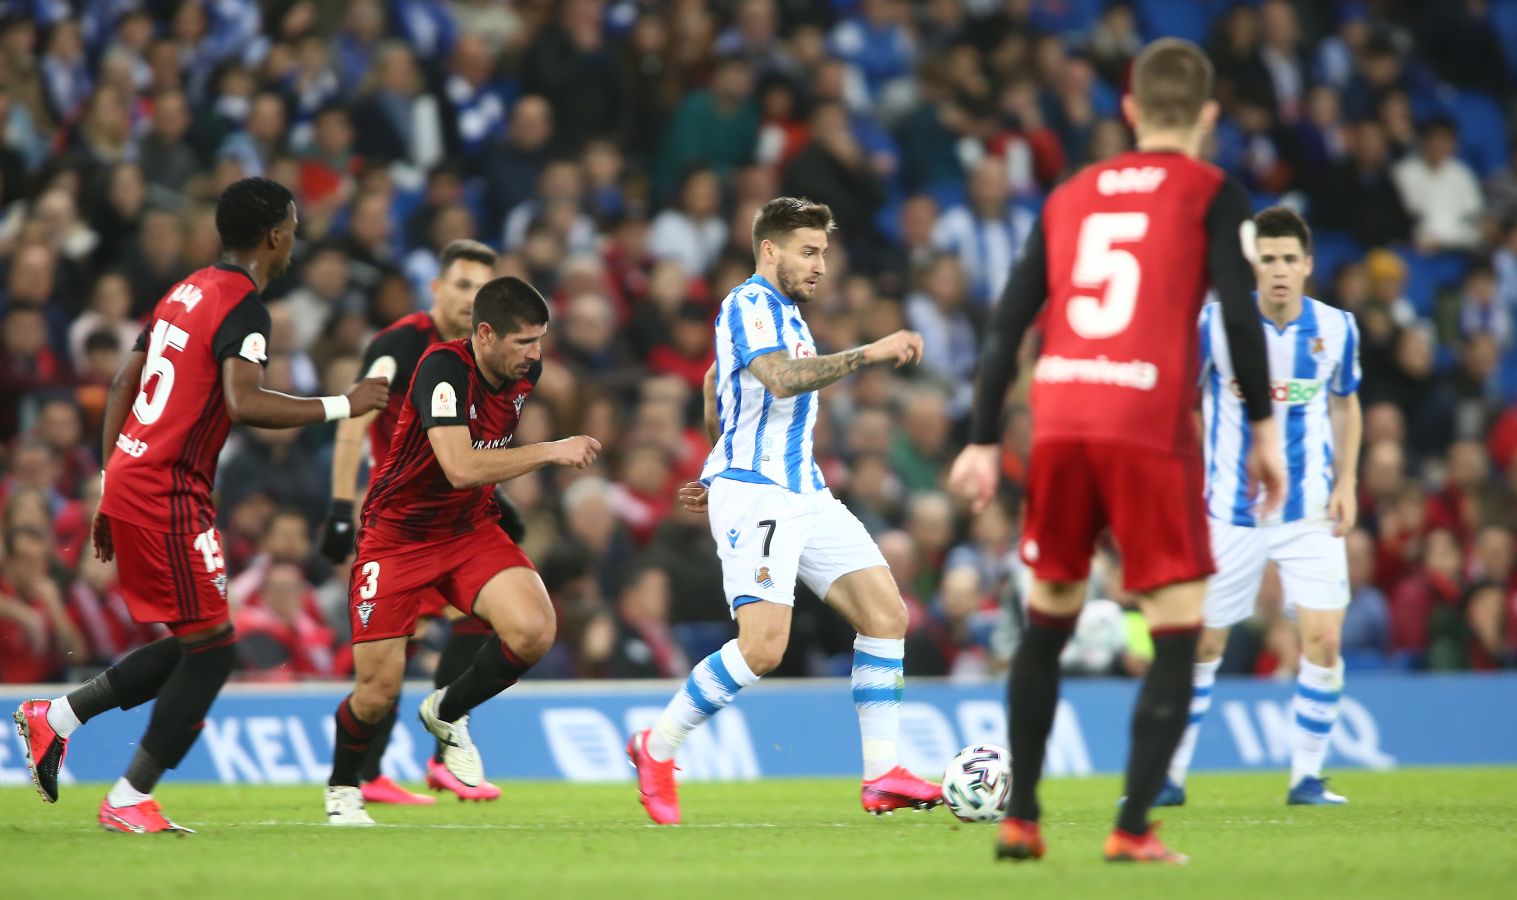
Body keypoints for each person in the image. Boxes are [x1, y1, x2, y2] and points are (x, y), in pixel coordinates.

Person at [947, 39, 1286, 865]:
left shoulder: (1069, 193)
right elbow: (1239, 317)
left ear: (1129, 110)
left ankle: (1020, 817)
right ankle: (1131, 827)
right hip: (1144, 421)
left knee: (1047, 621)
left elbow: (1005, 322)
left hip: (1058, 416)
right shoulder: (1212, 190)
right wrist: (1265, 432)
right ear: (1207, 115)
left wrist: (985, 438)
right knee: (1174, 625)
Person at [12, 177, 390, 834]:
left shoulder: (183, 291)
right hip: (167, 491)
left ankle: (57, 720)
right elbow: (244, 401)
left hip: (136, 476)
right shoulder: (243, 305)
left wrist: (109, 480)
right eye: (294, 227)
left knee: (200, 641)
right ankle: (128, 799)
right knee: (213, 652)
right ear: (275, 235)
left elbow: (124, 381)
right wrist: (343, 404)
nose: (295, 238)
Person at [626, 196, 943, 826]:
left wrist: (717, 459)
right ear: (769, 249)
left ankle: (881, 775)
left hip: (804, 491)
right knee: (764, 648)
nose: (820, 265)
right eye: (808, 251)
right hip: (762, 494)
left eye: (823, 252)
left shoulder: (787, 316)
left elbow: (718, 384)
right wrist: (870, 354)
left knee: (886, 615)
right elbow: (777, 380)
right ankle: (656, 748)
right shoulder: (747, 302)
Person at [323, 276, 601, 826]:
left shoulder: (526, 372)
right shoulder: (440, 369)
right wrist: (549, 451)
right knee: (376, 693)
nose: (536, 354)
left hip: (466, 527)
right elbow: (460, 466)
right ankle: (342, 787)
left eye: (541, 340)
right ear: (485, 334)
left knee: (534, 629)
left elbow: (484, 453)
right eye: (524, 342)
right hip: (397, 537)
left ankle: (446, 711)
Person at [1161, 207, 1362, 807]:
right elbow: (1182, 404)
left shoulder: (1337, 329)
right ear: (1254, 266)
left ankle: (1307, 777)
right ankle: (1168, 778)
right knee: (1204, 646)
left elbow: (1346, 404)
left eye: (1287, 260)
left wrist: (1347, 481)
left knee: (1324, 640)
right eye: (1267, 260)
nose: (1278, 271)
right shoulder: (1215, 324)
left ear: (1307, 266)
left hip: (1310, 515)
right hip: (1230, 513)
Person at [318, 238, 518, 805]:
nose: (468, 298)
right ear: (436, 287)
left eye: (480, 288)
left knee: (479, 616)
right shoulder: (401, 344)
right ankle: (382, 770)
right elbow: (355, 421)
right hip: (401, 522)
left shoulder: (486, 353)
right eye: (460, 284)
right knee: (394, 654)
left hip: (456, 516)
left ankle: (436, 755)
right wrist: (338, 506)